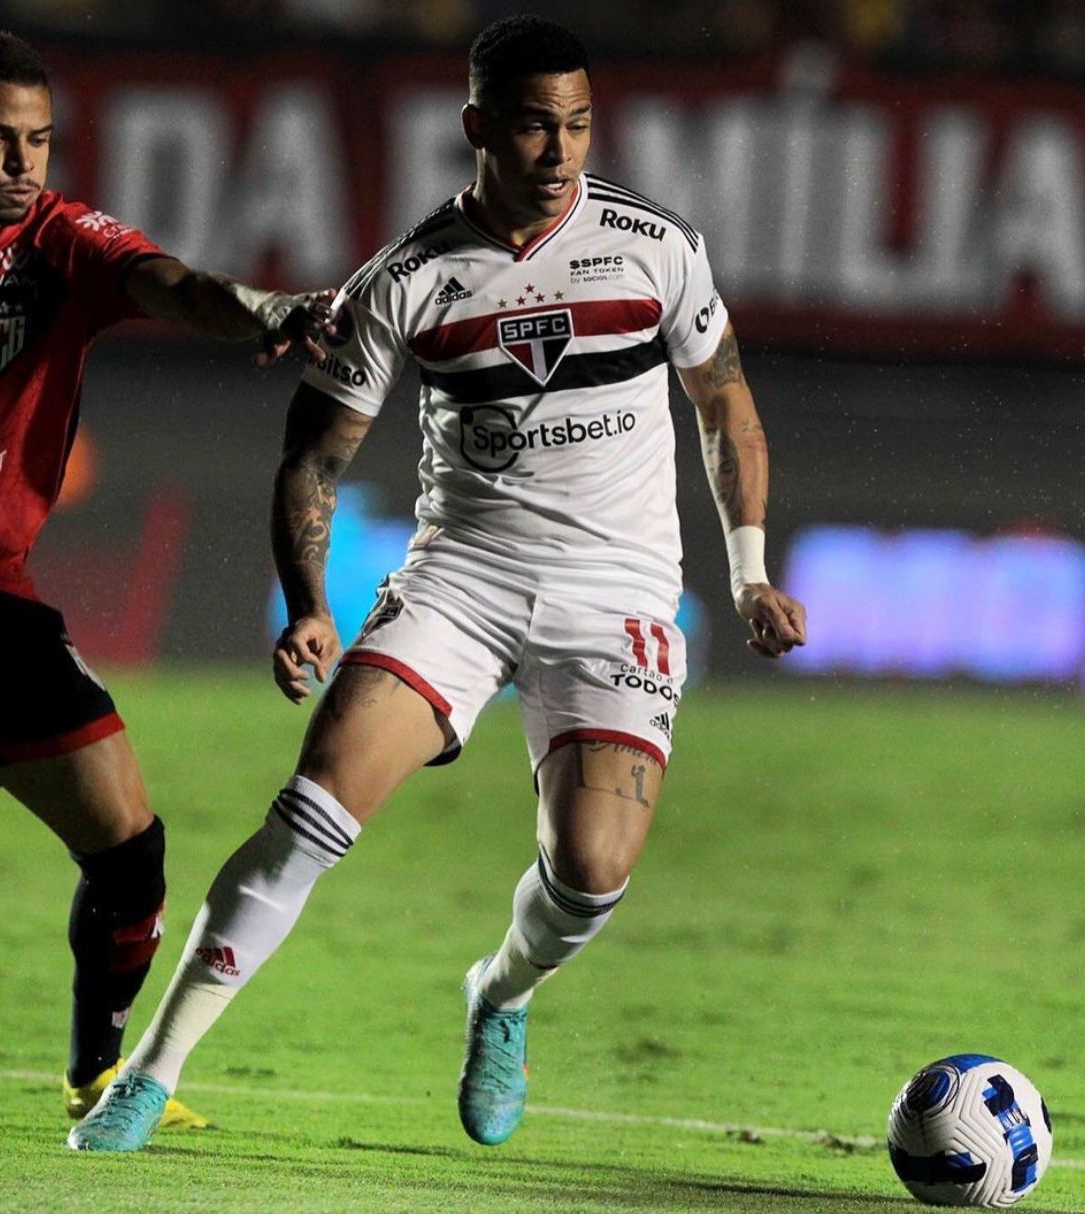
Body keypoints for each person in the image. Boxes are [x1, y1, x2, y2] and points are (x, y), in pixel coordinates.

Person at [68, 14, 807, 1153]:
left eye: (577, 124)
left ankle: (500, 992)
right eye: (530, 125)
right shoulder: (406, 280)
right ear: (475, 128)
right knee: (314, 805)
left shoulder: (658, 245)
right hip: (462, 576)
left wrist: (750, 571)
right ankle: (151, 1072)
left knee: (591, 870)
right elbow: (315, 457)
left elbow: (725, 404)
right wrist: (309, 600)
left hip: (616, 591)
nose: (558, 151)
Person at [0, 29, 334, 1132]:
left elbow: (171, 283)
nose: (23, 163)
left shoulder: (60, 242)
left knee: (128, 845)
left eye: (40, 140)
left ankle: (98, 1076)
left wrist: (265, 310)